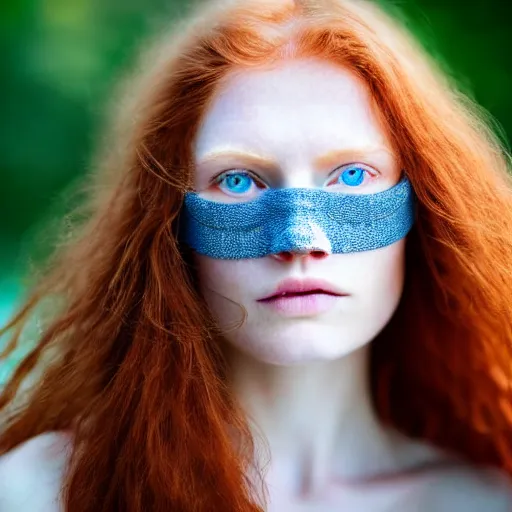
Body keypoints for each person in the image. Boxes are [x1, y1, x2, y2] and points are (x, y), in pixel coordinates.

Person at [1, 0, 512, 510]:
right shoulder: (43, 492)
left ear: (425, 206)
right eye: (238, 181)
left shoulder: (484, 500)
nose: (300, 239)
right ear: (167, 224)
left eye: (352, 175)